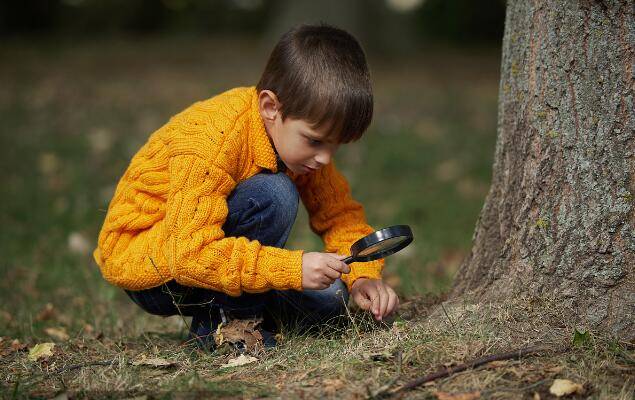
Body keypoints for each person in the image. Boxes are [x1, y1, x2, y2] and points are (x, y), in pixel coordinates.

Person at [93, 23, 399, 351]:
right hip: (158, 264)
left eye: (335, 146)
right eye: (315, 141)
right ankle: (230, 328)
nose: (325, 158)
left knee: (330, 299)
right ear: (271, 107)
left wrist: (363, 275)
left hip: (209, 255)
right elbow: (188, 254)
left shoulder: (304, 150)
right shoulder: (212, 139)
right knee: (275, 194)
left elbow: (340, 216)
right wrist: (292, 268)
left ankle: (230, 310)